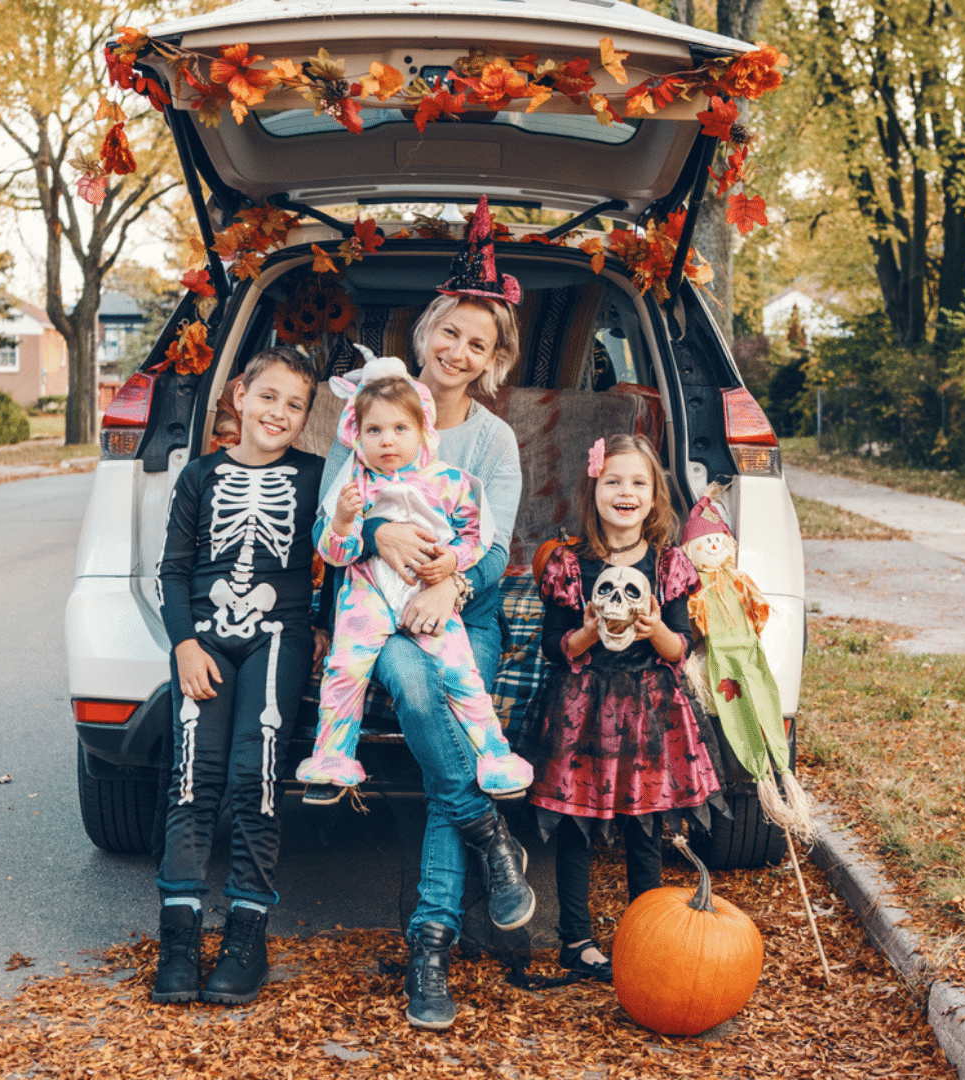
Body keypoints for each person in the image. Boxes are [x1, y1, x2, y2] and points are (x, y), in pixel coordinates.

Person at [314, 196, 534, 1030]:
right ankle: (487, 833)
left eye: (478, 344)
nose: (459, 350)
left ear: (491, 361)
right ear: (427, 331)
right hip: (375, 605)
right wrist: (375, 527)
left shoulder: (493, 443)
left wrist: (455, 584)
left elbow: (496, 544)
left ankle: (429, 942)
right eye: (450, 333)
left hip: (457, 608)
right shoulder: (371, 407)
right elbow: (324, 521)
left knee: (425, 679)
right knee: (411, 678)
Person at [152, 346, 329, 1006]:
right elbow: (171, 570)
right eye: (269, 396)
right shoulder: (199, 477)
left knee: (257, 776)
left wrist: (326, 624)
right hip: (205, 637)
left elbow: (342, 552)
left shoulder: (316, 475)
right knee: (193, 777)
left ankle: (246, 932)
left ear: (307, 417)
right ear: (239, 397)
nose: (278, 411)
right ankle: (179, 936)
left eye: (295, 404)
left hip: (276, 636)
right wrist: (183, 646)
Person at [530, 433, 727, 982]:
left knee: (645, 827)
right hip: (583, 710)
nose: (626, 492)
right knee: (577, 826)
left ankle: (647, 936)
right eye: (613, 481)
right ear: (594, 489)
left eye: (638, 482)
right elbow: (554, 648)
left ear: (655, 494)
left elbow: (681, 649)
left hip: (649, 712)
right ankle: (577, 940)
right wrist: (588, 634)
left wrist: (657, 628)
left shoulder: (669, 567)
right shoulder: (569, 563)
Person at [296, 356, 533, 802]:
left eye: (400, 429)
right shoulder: (353, 485)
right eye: (374, 431)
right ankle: (331, 760)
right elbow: (333, 554)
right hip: (368, 596)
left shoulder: (450, 482)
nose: (388, 441)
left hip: (429, 594)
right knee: (344, 672)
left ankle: (496, 757)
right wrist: (346, 522)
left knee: (460, 674)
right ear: (356, 437)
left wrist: (452, 562)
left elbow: (480, 537)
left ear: (424, 430)